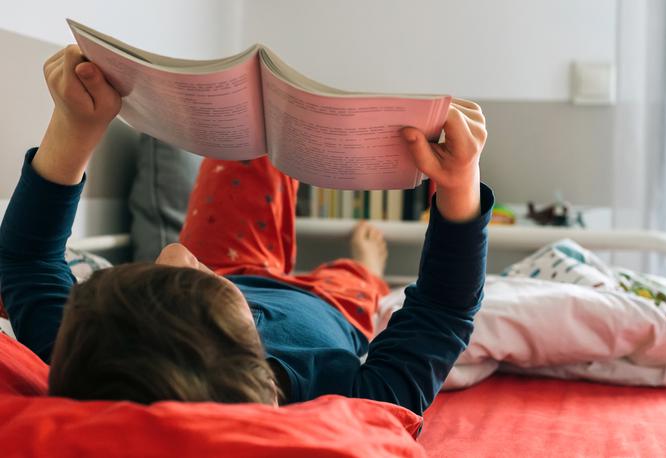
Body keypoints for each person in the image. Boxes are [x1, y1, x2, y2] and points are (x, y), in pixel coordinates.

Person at [0, 45, 492, 416]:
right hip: (331, 303)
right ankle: (365, 263)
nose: (175, 251)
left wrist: (75, 124)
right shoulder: (345, 394)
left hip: (232, 263)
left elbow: (26, 260)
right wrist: (459, 187)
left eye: (148, 273)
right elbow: (442, 313)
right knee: (358, 279)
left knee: (252, 137)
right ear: (251, 343)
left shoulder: (88, 356)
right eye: (182, 279)